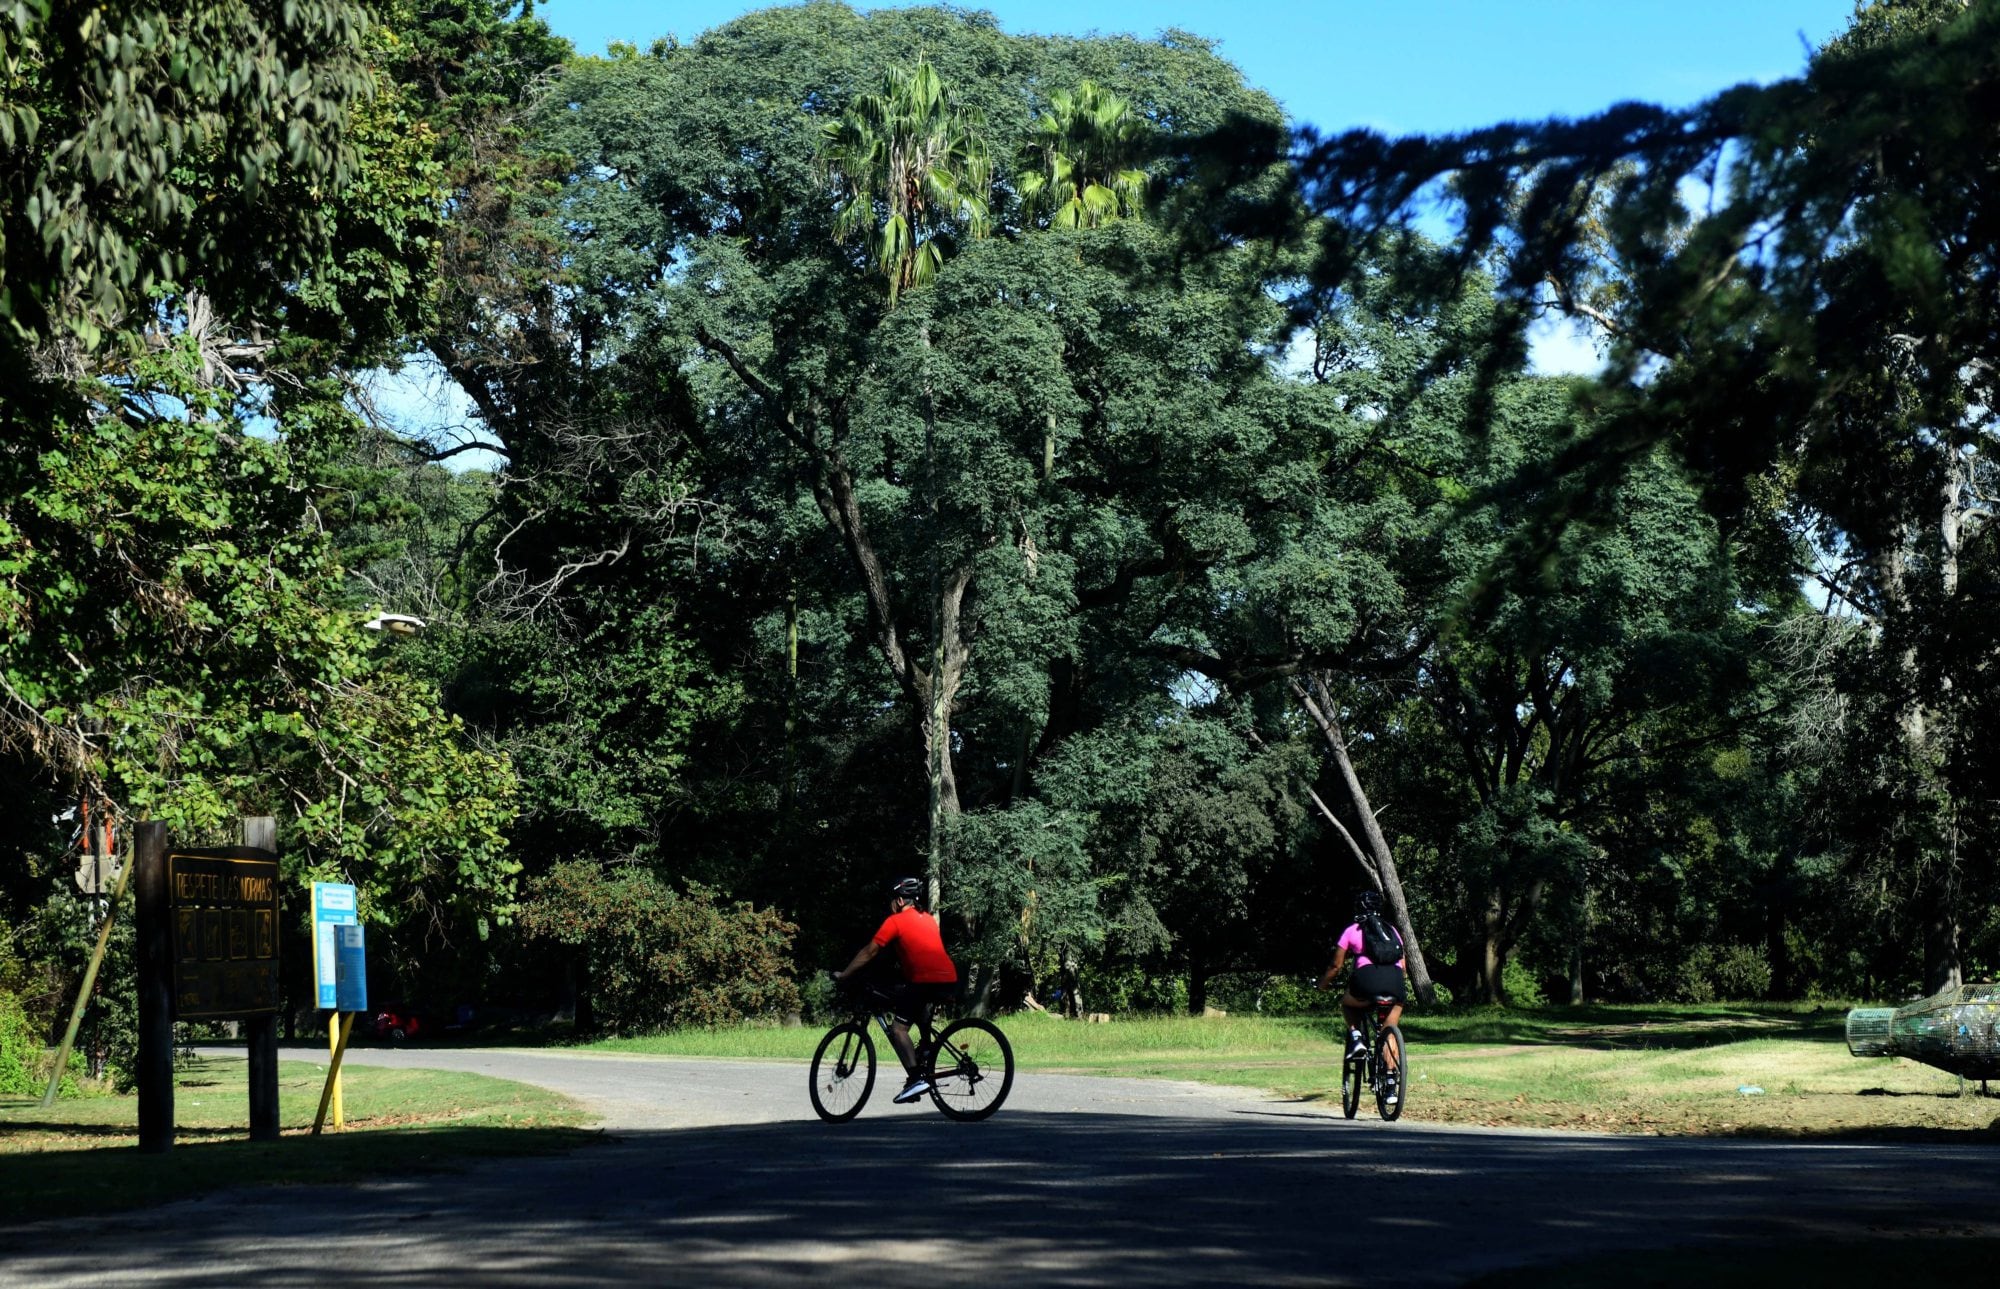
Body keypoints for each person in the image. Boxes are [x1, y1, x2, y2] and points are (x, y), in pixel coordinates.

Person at [834, 877, 960, 1103]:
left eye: (892, 901)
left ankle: (915, 1079)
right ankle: (925, 1053)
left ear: (900, 900)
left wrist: (845, 975)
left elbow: (869, 952)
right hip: (949, 978)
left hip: (924, 981)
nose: (890, 905)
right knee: (911, 1002)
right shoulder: (929, 919)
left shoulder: (895, 921)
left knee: (899, 1029)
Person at [1317, 890, 1407, 1099]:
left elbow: (1335, 965)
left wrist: (1323, 984)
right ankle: (1391, 1086)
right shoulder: (1391, 931)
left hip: (1366, 981)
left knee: (1348, 1003)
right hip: (1395, 983)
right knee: (1390, 1031)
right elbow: (1403, 967)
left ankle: (1356, 1037)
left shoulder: (1352, 930)